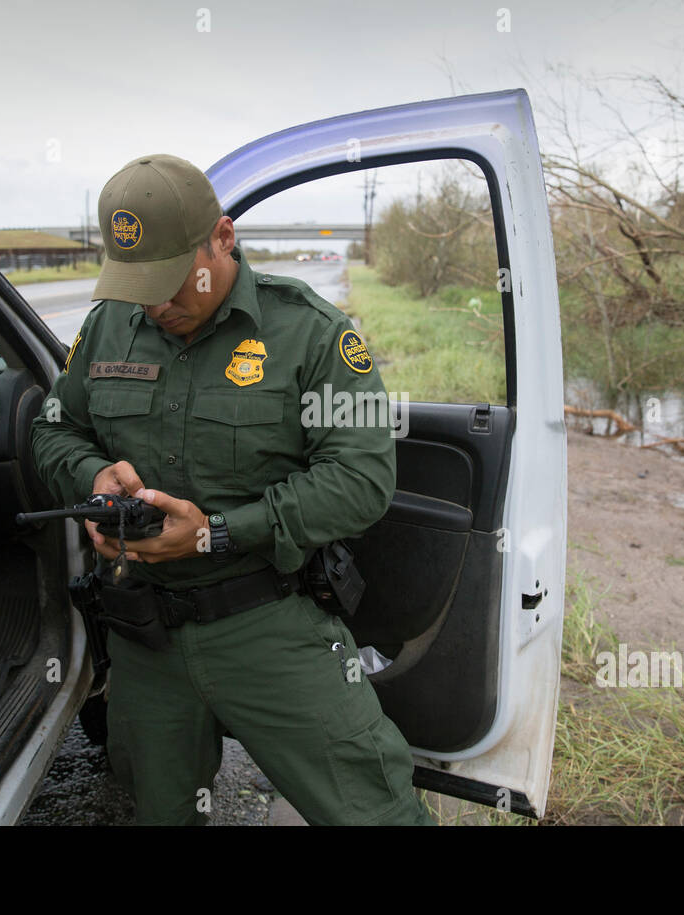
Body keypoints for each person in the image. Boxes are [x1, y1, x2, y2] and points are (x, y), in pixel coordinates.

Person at [29, 154, 435, 826]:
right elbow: (55, 428)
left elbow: (362, 480)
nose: (156, 304)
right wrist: (92, 476)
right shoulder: (107, 327)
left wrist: (218, 530)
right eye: (139, 285)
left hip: (267, 622)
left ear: (223, 237)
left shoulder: (311, 332)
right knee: (159, 809)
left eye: (170, 281)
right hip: (144, 635)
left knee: (375, 810)